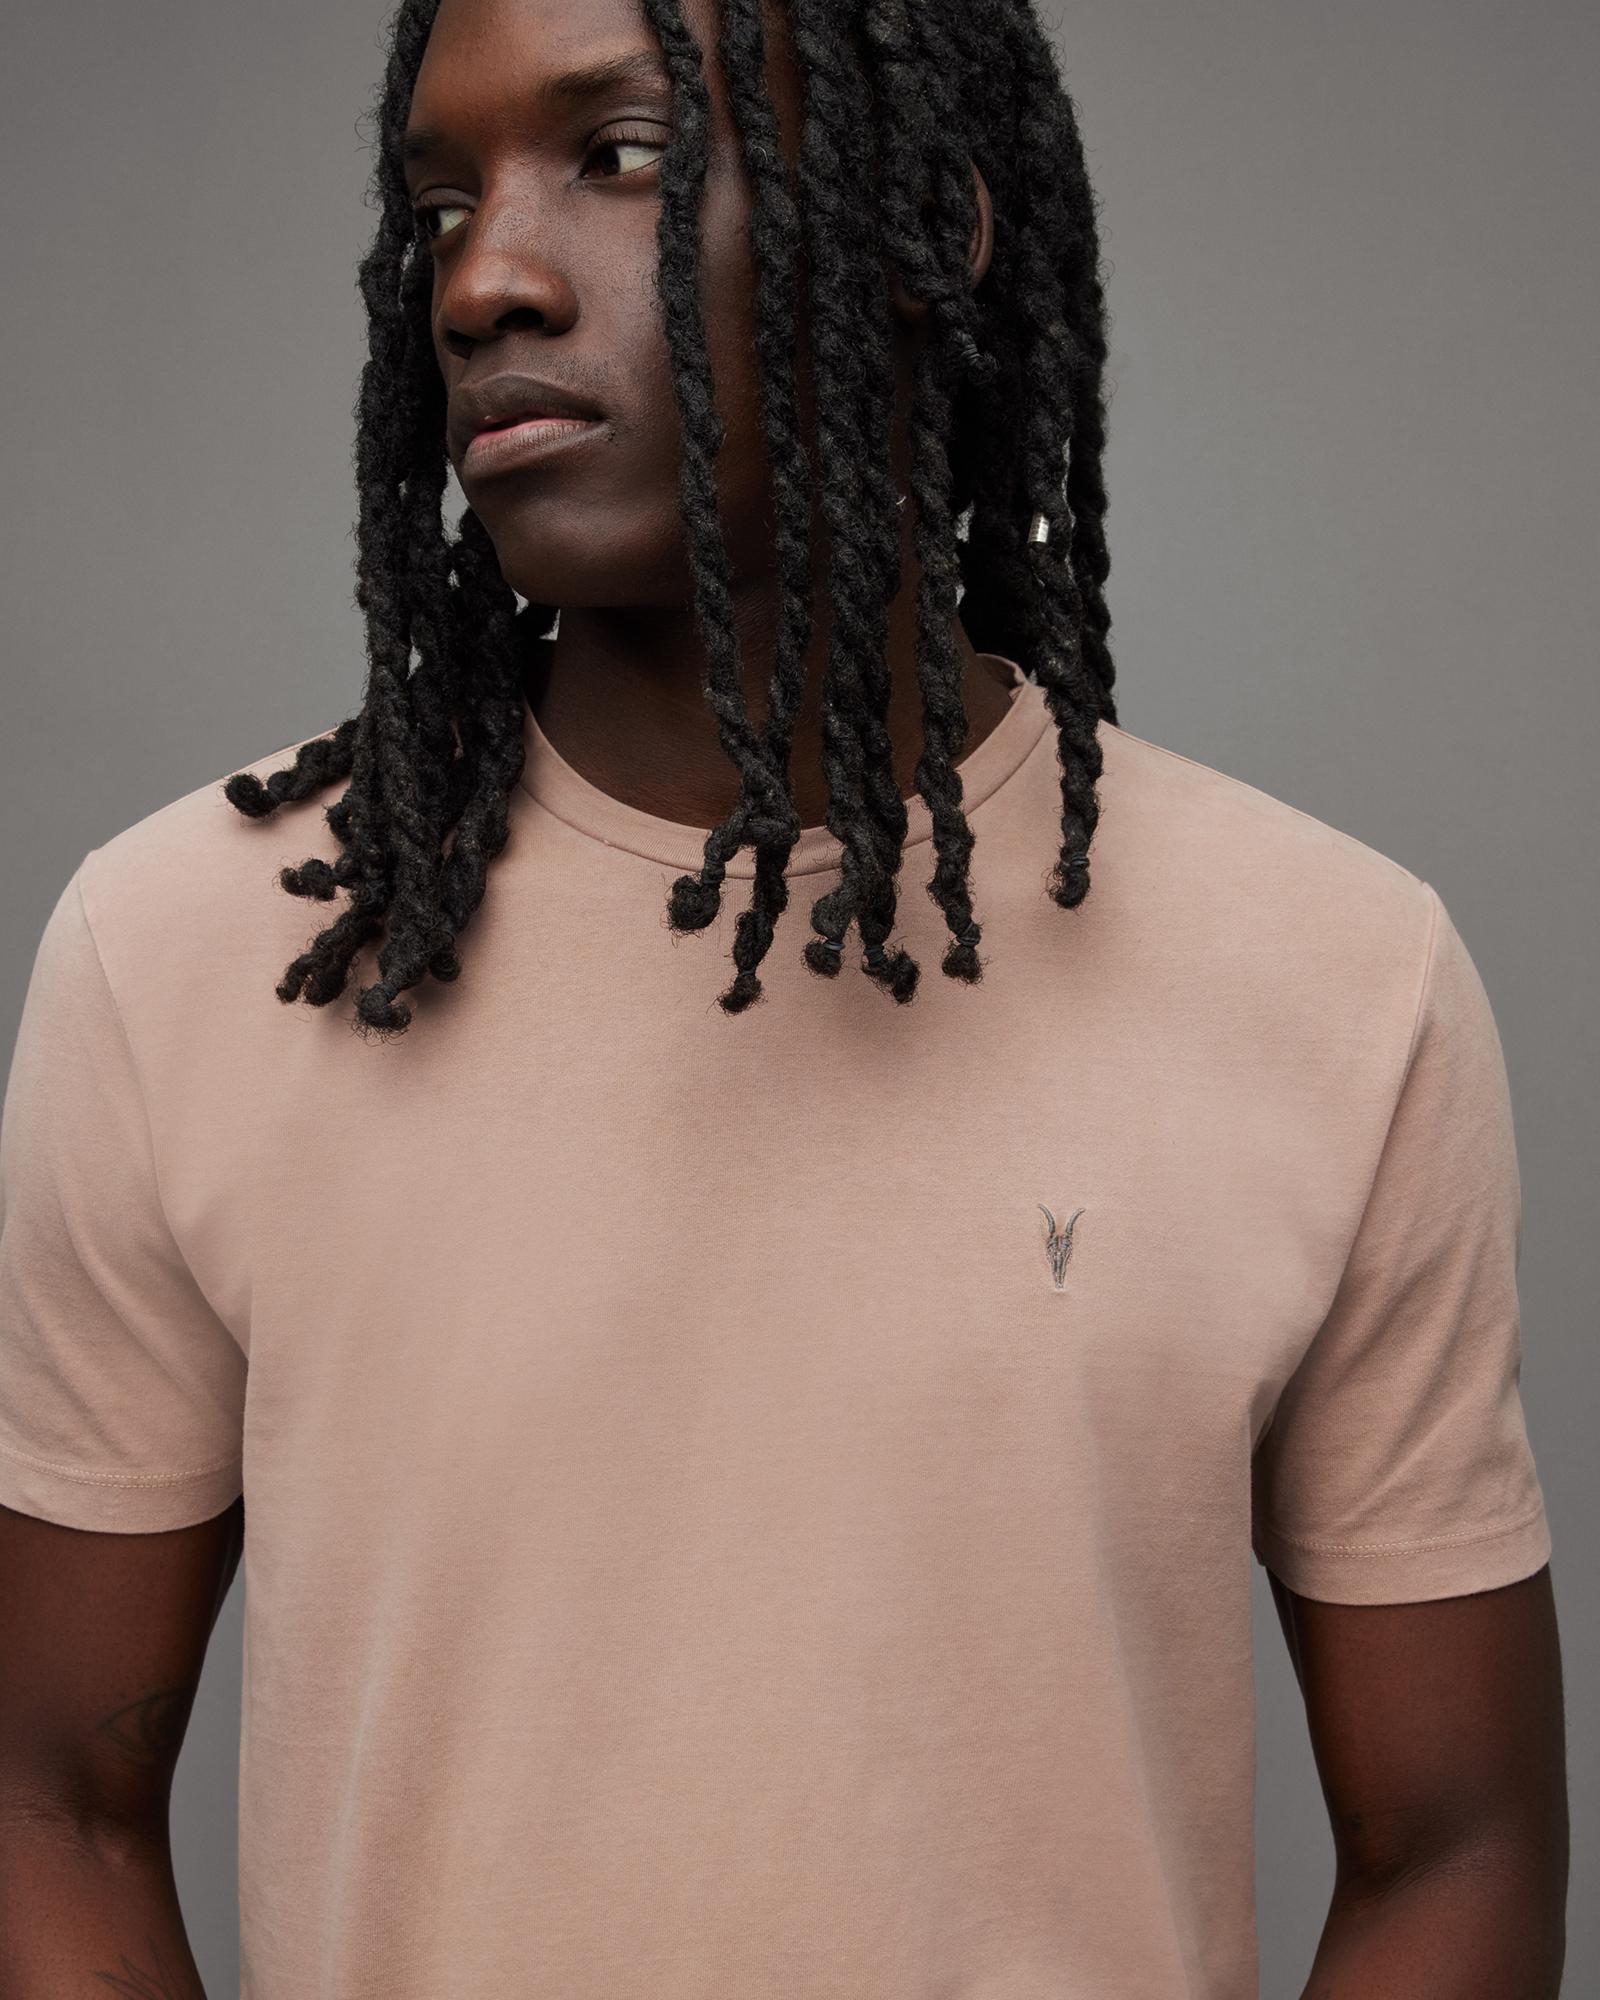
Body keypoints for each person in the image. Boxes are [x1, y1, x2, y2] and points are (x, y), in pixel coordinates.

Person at [0, 0, 1567, 1993]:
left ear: (926, 223)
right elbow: (48, 1794)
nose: (482, 281)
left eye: (623, 155)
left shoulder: (1336, 981)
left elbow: (1457, 1845)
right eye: (440, 203)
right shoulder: (181, 956)